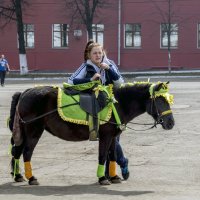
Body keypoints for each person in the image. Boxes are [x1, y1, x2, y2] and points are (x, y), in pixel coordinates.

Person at [68, 40, 129, 180]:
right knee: (109, 138)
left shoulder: (110, 64)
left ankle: (111, 173)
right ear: (89, 55)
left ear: (103, 53)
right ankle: (122, 162)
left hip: (113, 105)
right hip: (96, 106)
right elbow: (71, 81)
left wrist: (109, 69)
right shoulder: (86, 66)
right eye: (94, 53)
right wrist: (90, 79)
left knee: (114, 138)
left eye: (99, 53)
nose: (97, 55)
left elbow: (120, 83)